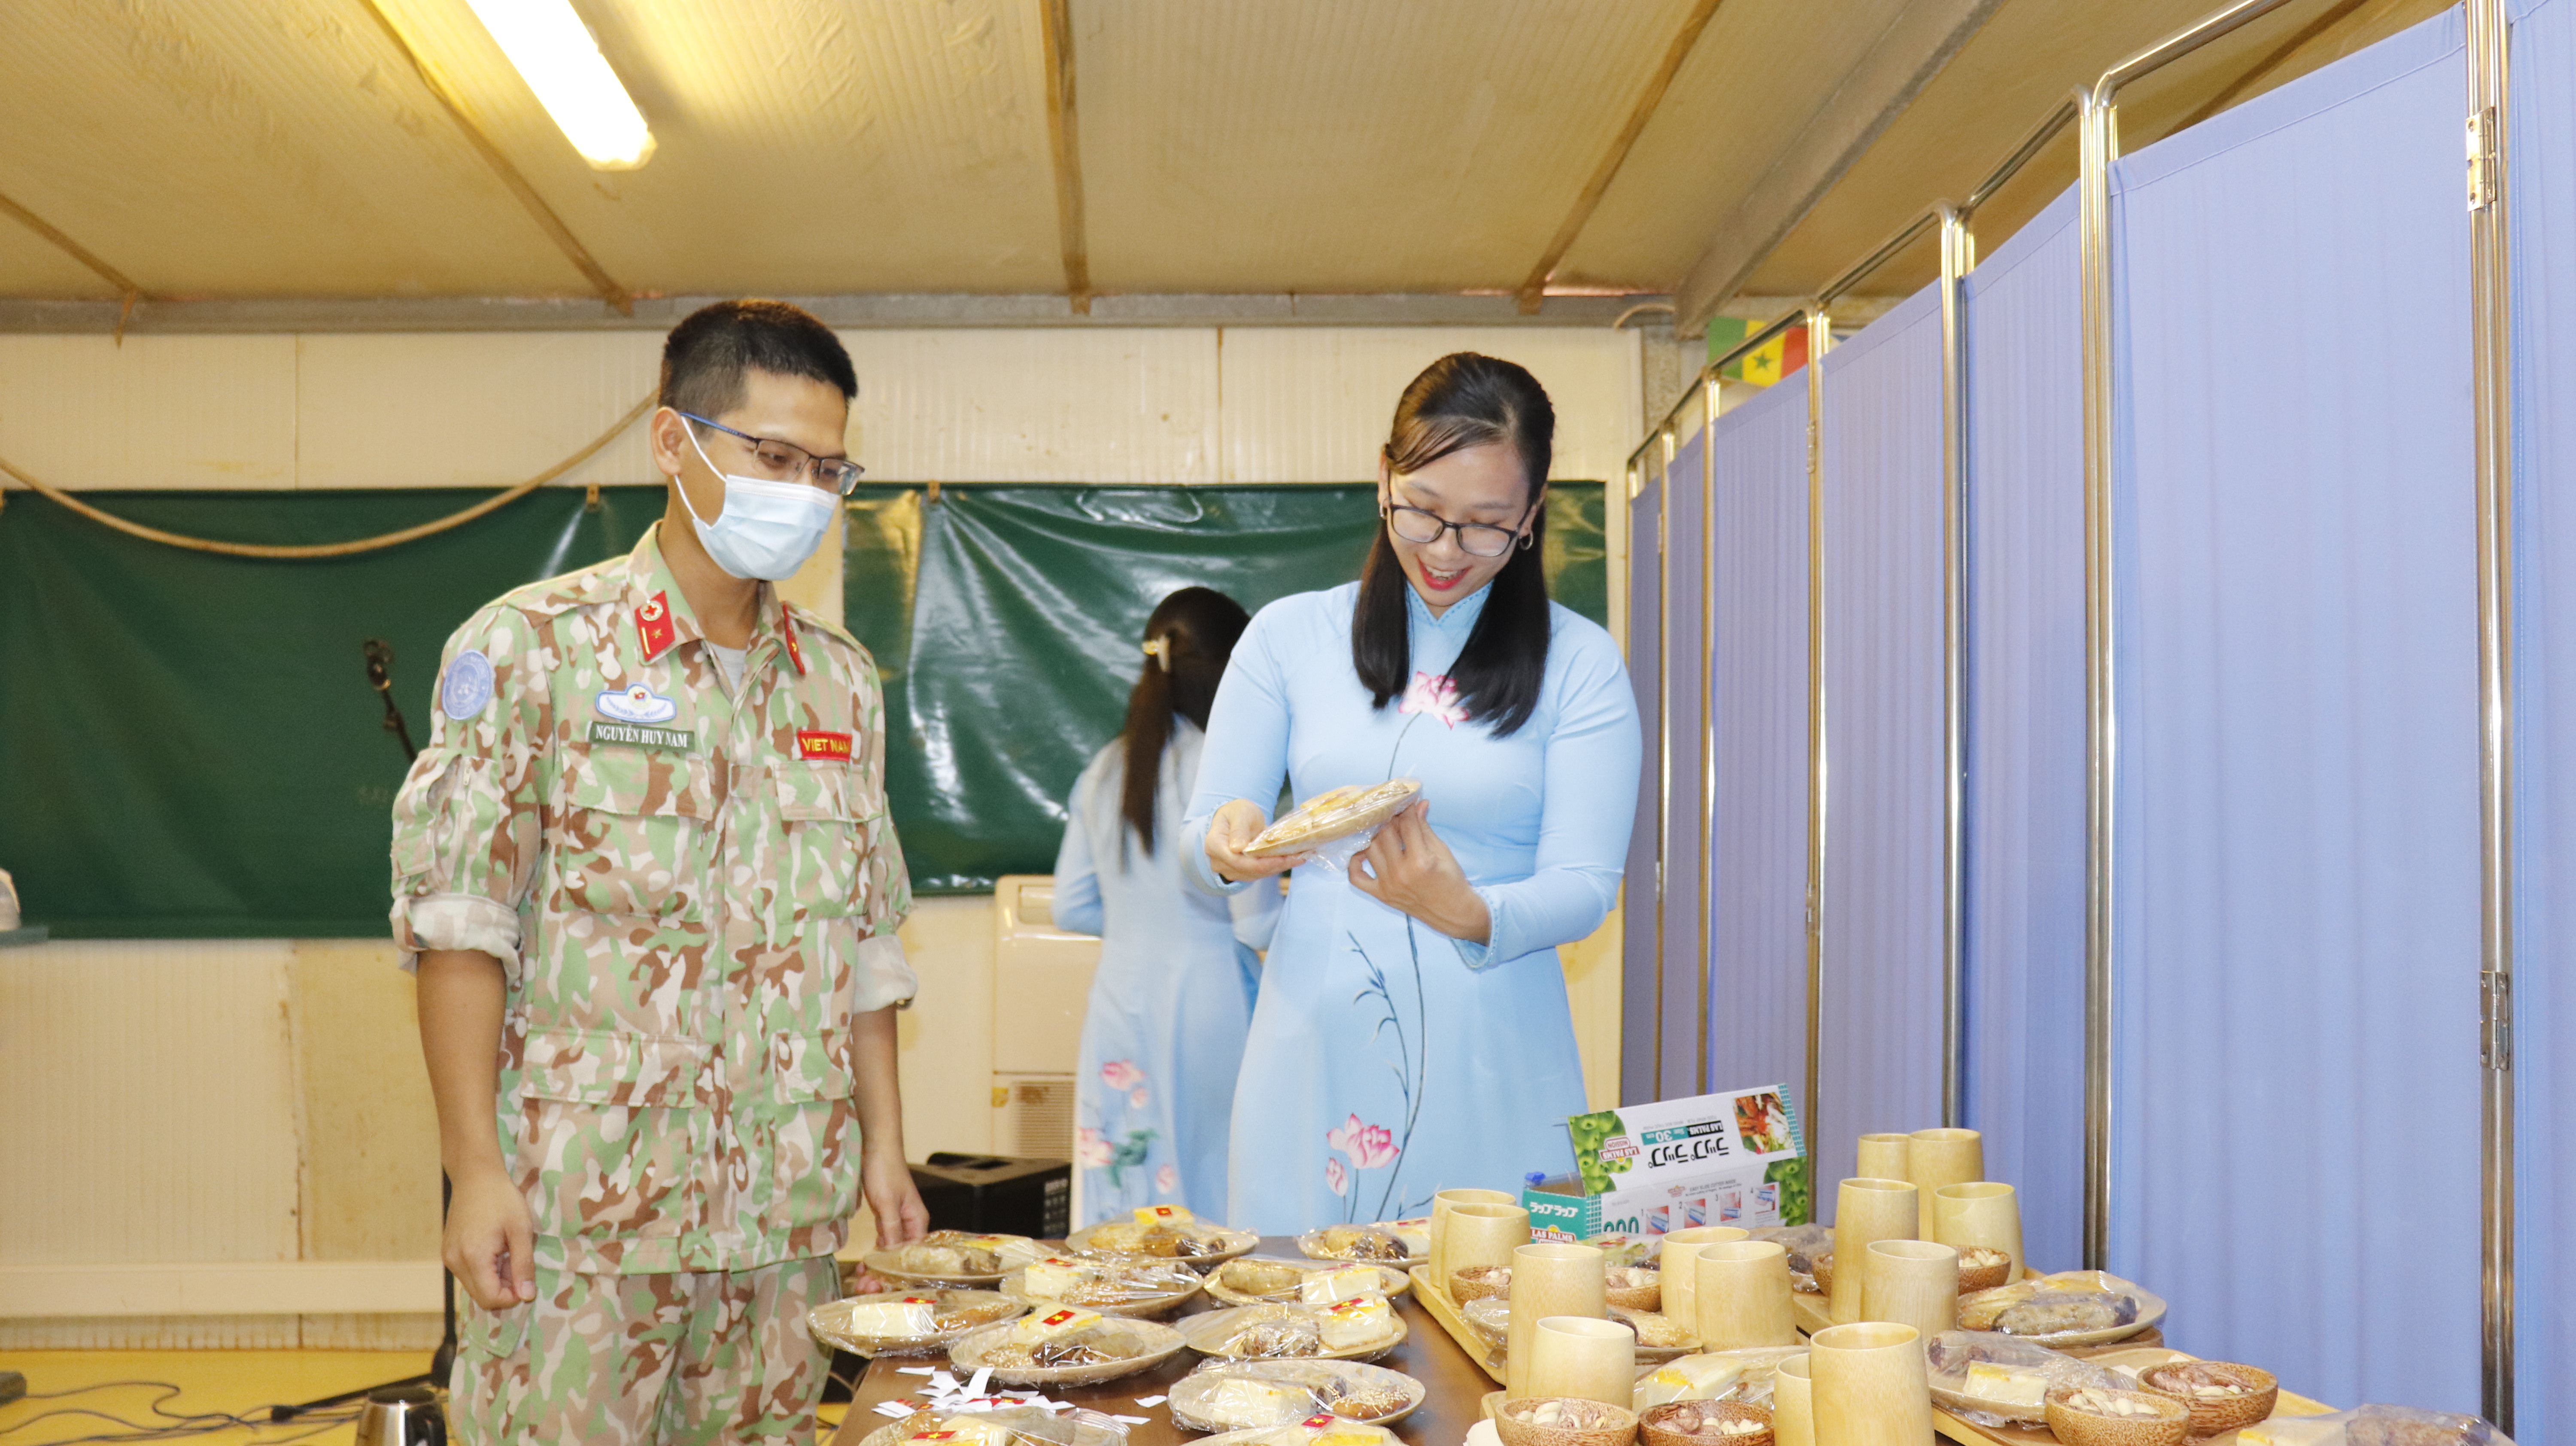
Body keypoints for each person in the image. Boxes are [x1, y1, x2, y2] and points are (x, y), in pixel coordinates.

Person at [389, 299, 927, 1443]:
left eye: (830, 468)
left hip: (784, 1231)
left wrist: (883, 1152)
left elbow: (867, 946)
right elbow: (458, 926)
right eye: (774, 455)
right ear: (671, 441)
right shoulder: (534, 649)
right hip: (581, 1223)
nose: (804, 491)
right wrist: (473, 1171)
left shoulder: (839, 684)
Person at [1182, 352, 1641, 1234]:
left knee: (1498, 1327)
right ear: (1383, 477)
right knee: (1297, 1326)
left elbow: (1586, 885)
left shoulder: (1580, 662)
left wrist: (1464, 910)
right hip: (1312, 1048)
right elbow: (1207, 828)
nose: (1445, 550)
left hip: (1497, 1049)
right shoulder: (1289, 637)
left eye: (1485, 526)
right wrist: (1227, 843)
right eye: (1423, 511)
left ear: (1533, 518)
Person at [1052, 587, 1282, 1225]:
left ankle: (1124, 1323)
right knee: (1219, 1192)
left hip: (1119, 1004)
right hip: (1215, 1000)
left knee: (1124, 1192)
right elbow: (1257, 920)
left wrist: (1139, 925)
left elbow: (1071, 907)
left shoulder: (1105, 768)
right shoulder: (1234, 775)